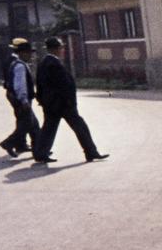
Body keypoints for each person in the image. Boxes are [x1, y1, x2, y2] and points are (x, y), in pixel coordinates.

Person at [33, 36, 107, 164]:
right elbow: (62, 86)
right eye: (61, 47)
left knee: (48, 129)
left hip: (51, 104)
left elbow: (39, 85)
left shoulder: (44, 63)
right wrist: (70, 103)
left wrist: (42, 100)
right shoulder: (53, 64)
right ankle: (91, 152)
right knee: (80, 127)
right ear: (56, 49)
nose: (63, 50)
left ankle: (41, 153)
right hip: (63, 105)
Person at [0, 39, 42, 158]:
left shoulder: (16, 64)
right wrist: (24, 100)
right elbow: (20, 85)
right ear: (22, 53)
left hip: (15, 97)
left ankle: (39, 149)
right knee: (28, 124)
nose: (30, 55)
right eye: (28, 53)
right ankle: (9, 142)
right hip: (20, 99)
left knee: (32, 124)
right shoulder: (20, 66)